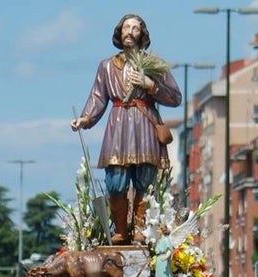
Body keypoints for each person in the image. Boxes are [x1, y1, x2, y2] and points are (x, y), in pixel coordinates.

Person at [70, 14, 181, 244]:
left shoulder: (154, 65)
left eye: (135, 28)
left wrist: (150, 85)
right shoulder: (107, 66)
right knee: (115, 182)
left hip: (144, 124)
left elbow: (175, 97)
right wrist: (85, 118)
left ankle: (141, 229)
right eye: (126, 27)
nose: (130, 32)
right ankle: (120, 229)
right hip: (118, 125)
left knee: (144, 181)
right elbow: (98, 97)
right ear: (119, 33)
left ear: (143, 35)